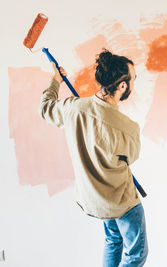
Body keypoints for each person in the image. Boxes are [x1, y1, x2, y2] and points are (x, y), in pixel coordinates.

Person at [38, 49, 148, 267]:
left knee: (113, 239)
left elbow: (45, 108)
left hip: (95, 200)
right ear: (122, 86)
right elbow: (131, 158)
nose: (134, 83)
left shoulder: (73, 109)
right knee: (136, 254)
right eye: (134, 79)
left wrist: (55, 81)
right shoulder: (128, 128)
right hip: (121, 201)